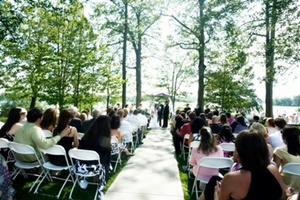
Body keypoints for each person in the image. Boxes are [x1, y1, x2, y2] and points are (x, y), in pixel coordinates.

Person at [200, 130, 287, 200]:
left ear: (240, 151)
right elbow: (283, 195)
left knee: (213, 184)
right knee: (214, 179)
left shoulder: (231, 178)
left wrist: (216, 195)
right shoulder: (273, 170)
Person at [77, 115, 111, 199]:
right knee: (102, 161)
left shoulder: (86, 136)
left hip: (81, 167)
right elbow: (107, 158)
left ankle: (86, 180)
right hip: (96, 167)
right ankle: (98, 180)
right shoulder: (105, 140)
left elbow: (79, 150)